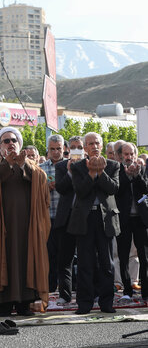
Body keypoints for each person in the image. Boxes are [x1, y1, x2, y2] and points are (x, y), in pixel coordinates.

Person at [0, 126, 50, 316]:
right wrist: (6, 166)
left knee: (27, 259)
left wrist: (23, 165)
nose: (10, 144)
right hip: (1, 227)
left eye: (14, 141)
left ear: (20, 144)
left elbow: (42, 185)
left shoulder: (32, 167)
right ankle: (4, 304)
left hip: (27, 227)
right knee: (2, 259)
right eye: (6, 141)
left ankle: (25, 304)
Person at [67, 132, 120, 314]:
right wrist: (91, 173)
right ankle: (85, 304)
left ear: (102, 145)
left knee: (107, 264)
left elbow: (113, 188)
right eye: (90, 144)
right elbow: (80, 192)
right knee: (84, 263)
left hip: (105, 219)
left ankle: (107, 303)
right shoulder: (78, 167)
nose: (94, 146)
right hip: (85, 219)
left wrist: (101, 172)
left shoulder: (113, 165)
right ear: (85, 147)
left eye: (97, 143)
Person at [114, 142, 148, 301]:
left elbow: (145, 188)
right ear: (121, 156)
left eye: (131, 154)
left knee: (144, 256)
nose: (128, 157)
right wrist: (128, 175)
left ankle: (145, 291)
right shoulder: (116, 169)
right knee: (123, 255)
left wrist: (137, 175)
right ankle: (127, 290)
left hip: (141, 219)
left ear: (135, 154)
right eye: (125, 154)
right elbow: (117, 189)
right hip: (124, 219)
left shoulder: (142, 168)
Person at [53, 135, 84, 304]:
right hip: (66, 218)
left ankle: (86, 294)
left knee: (87, 259)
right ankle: (65, 295)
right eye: (73, 147)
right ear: (68, 150)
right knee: (65, 259)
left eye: (79, 146)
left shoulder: (91, 165)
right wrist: (71, 173)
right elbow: (61, 188)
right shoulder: (62, 166)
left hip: (85, 218)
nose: (76, 150)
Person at [39, 134, 65, 294]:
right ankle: (49, 288)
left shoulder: (70, 166)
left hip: (65, 218)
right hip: (47, 218)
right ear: (48, 150)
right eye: (52, 149)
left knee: (65, 257)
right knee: (49, 255)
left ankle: (64, 289)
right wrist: (44, 188)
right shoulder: (41, 168)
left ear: (64, 149)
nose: (55, 152)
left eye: (59, 149)